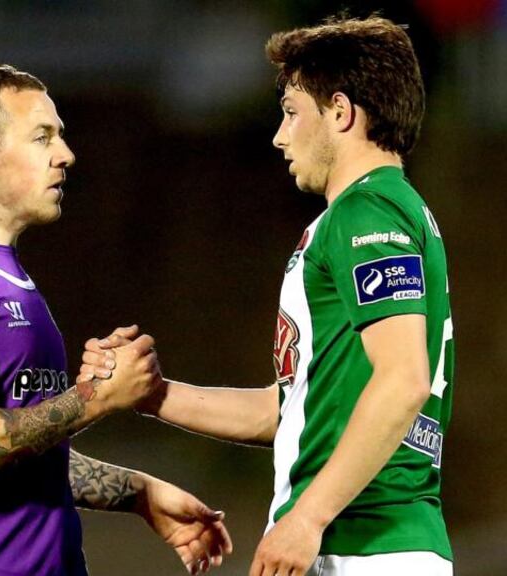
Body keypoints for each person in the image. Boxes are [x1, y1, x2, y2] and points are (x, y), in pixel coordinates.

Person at [84, 14, 454, 576]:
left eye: (291, 112)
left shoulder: (366, 213)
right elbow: (294, 410)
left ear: (340, 111)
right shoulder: (378, 214)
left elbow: (404, 378)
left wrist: (306, 518)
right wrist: (152, 394)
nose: (280, 135)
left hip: (368, 545)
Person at [0, 65, 231, 576]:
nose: (66, 154)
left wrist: (139, 492)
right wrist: (98, 396)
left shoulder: (5, 276)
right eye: (42, 137)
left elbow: (21, 454)